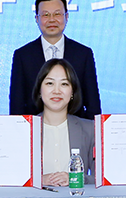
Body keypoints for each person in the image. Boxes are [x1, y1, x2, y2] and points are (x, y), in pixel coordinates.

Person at [9, 0, 101, 118]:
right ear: (37, 19)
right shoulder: (23, 55)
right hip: (36, 127)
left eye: (57, 14)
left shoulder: (83, 54)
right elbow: (17, 105)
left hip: (75, 127)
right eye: (45, 15)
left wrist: (87, 128)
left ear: (66, 17)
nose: (51, 19)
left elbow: (93, 105)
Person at [34, 58, 95, 186]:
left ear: (72, 92)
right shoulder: (24, 130)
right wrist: (38, 180)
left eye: (64, 84)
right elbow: (12, 178)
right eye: (50, 83)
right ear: (39, 90)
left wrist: (77, 179)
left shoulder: (90, 129)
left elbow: (101, 179)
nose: (57, 91)